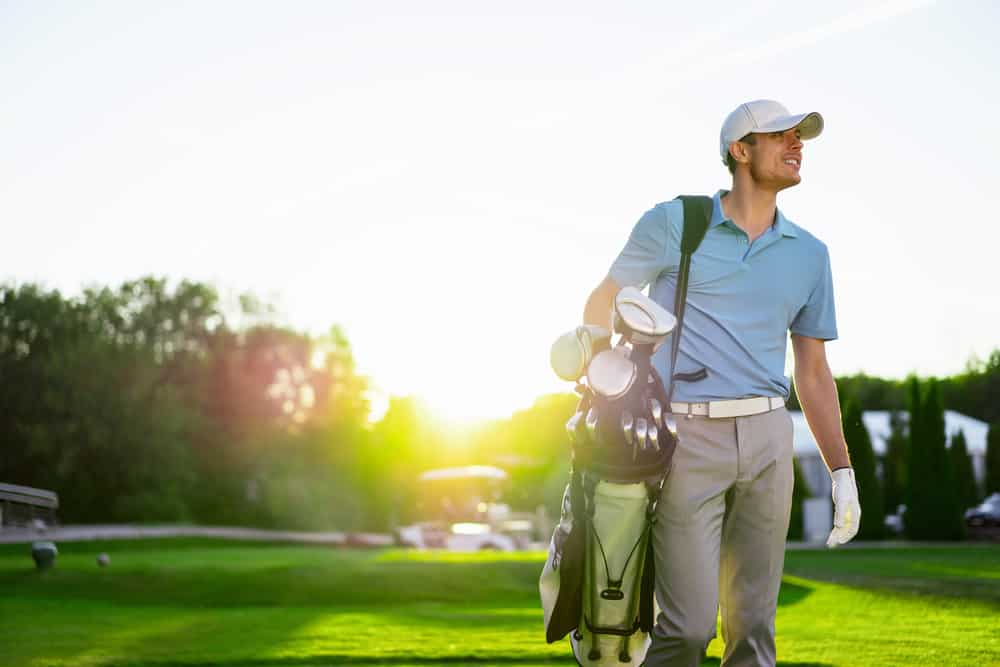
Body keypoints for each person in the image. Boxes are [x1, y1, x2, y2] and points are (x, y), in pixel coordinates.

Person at [581, 100, 860, 667]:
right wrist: (598, 372)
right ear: (740, 150)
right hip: (685, 436)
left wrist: (842, 470)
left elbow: (812, 370)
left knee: (754, 630)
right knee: (685, 627)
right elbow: (603, 299)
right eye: (780, 136)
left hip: (768, 437)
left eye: (799, 137)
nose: (796, 145)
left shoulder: (810, 254)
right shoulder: (675, 224)